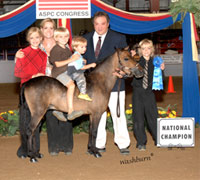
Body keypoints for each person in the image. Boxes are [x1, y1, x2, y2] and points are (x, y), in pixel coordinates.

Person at [16, 18, 74, 157]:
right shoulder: (36, 44)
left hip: (60, 82)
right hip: (42, 87)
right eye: (46, 28)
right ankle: (52, 146)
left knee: (66, 113)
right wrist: (17, 57)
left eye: (51, 28)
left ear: (55, 30)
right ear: (41, 30)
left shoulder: (62, 43)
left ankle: (66, 145)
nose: (49, 30)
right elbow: (23, 61)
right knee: (48, 116)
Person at [83, 11, 130, 155]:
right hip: (93, 87)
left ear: (108, 24)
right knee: (98, 115)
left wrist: (123, 73)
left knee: (118, 114)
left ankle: (123, 144)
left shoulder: (119, 38)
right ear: (93, 24)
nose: (100, 27)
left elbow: (126, 60)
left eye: (103, 24)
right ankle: (98, 144)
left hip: (114, 85)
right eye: (97, 24)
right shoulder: (86, 38)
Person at [131, 39, 165, 151]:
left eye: (148, 48)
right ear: (140, 50)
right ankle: (141, 142)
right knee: (138, 118)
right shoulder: (135, 62)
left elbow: (161, 79)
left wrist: (161, 69)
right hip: (137, 93)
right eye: (143, 48)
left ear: (152, 50)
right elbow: (129, 75)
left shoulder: (156, 62)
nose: (146, 51)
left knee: (153, 117)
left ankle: (158, 139)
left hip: (149, 93)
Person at [49, 27, 84, 121]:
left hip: (67, 71)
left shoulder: (67, 49)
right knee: (71, 86)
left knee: (81, 78)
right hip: (59, 72)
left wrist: (80, 61)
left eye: (66, 36)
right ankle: (70, 111)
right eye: (61, 37)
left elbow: (72, 62)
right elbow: (57, 64)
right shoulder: (55, 49)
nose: (64, 38)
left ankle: (60, 108)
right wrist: (71, 59)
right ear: (56, 38)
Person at [68, 36, 96, 101]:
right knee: (81, 78)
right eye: (82, 47)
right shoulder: (77, 56)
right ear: (75, 47)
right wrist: (90, 65)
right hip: (73, 72)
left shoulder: (79, 55)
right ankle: (82, 93)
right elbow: (81, 67)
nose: (84, 49)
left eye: (85, 46)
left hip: (75, 70)